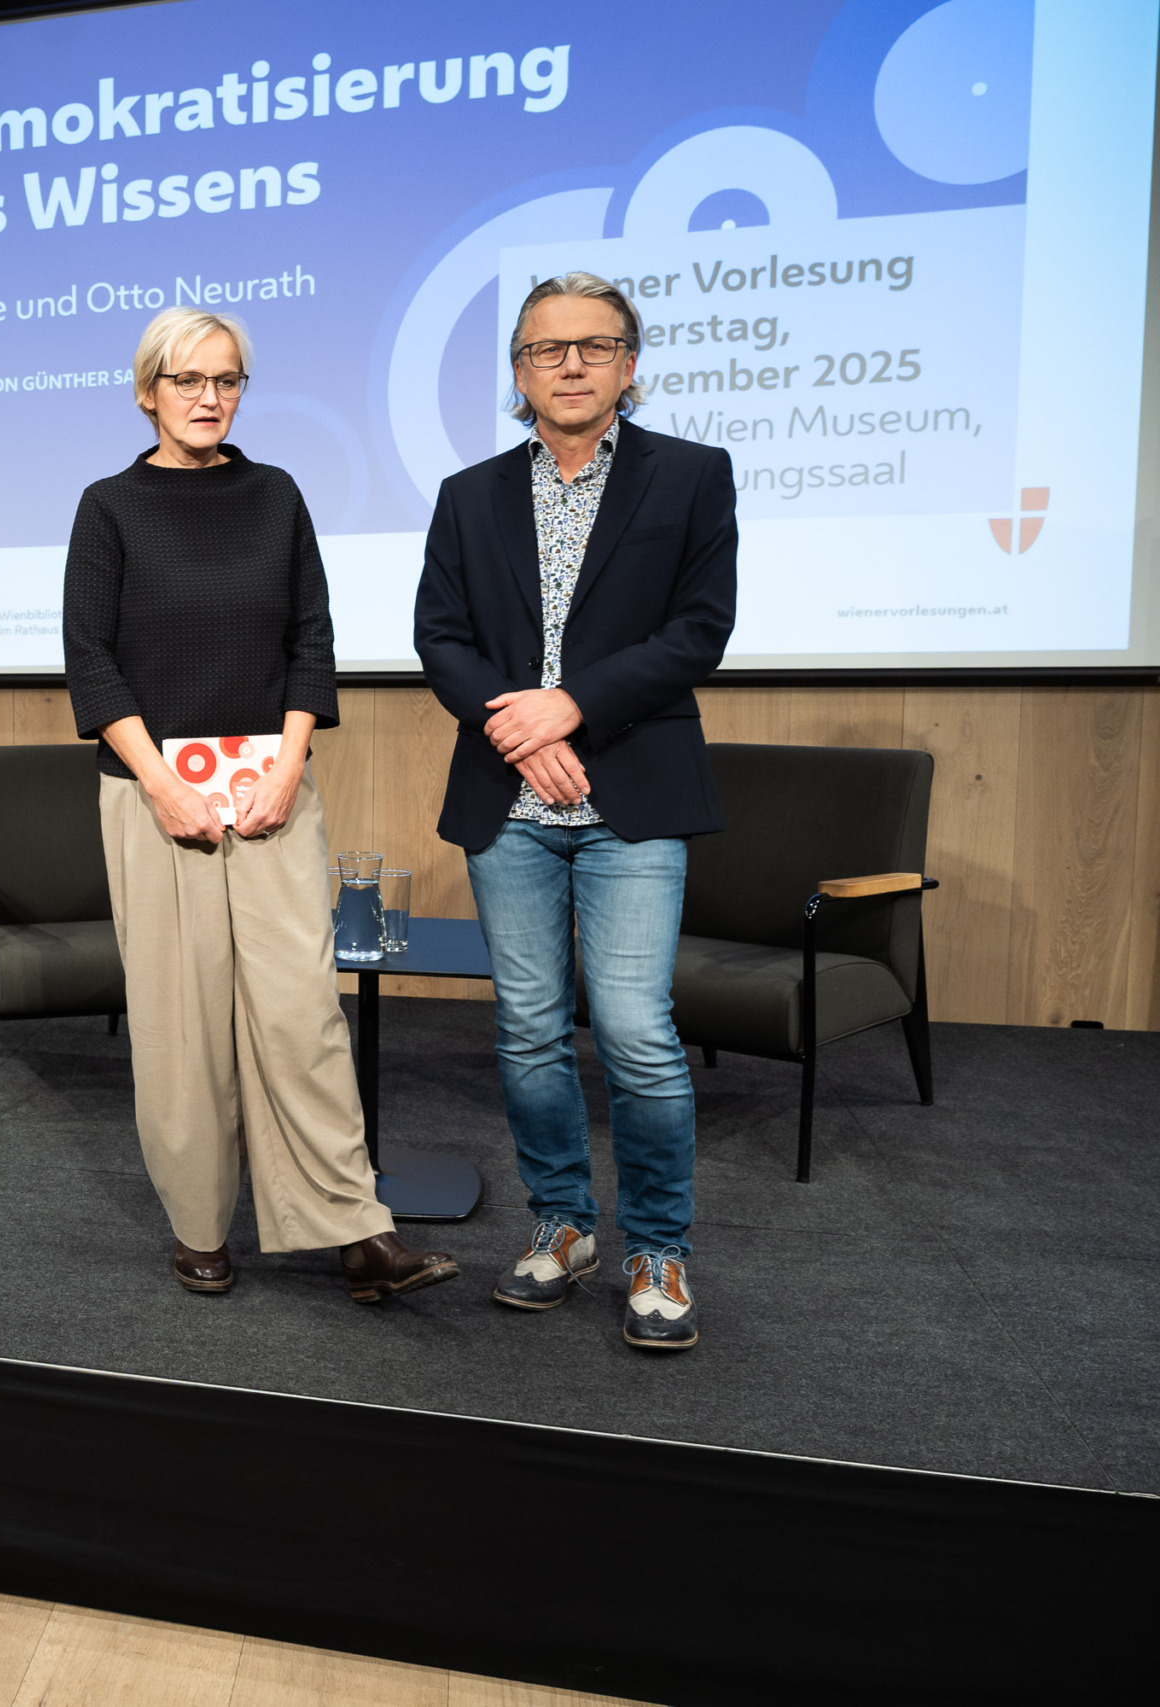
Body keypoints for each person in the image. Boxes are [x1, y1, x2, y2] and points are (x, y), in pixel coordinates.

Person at [64, 306, 458, 1304]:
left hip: (273, 785)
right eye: (188, 380)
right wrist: (162, 785)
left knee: (302, 1015)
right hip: (152, 794)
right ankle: (200, 1228)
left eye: (227, 379)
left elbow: (310, 642)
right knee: (181, 1022)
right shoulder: (108, 507)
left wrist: (287, 767)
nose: (210, 397)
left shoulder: (275, 495)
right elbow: (91, 661)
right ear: (148, 391)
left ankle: (355, 1228)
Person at [412, 271, 736, 1352]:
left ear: (628, 364)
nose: (571, 365)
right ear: (519, 371)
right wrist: (523, 733)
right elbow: (441, 637)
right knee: (529, 1031)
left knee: (637, 1034)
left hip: (631, 794)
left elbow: (698, 631)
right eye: (547, 349)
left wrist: (571, 708)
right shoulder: (469, 494)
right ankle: (561, 1225)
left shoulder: (690, 476)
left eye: (595, 346)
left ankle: (658, 1248)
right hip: (508, 803)